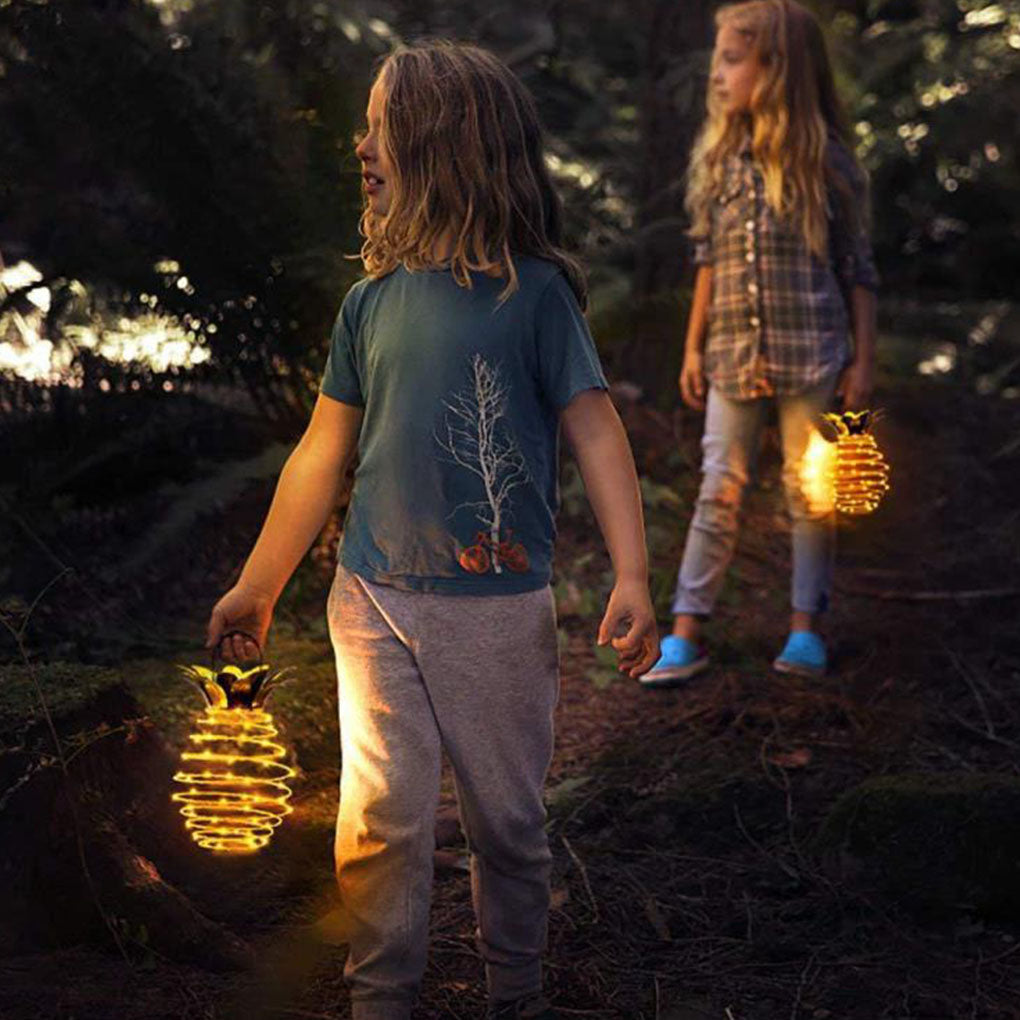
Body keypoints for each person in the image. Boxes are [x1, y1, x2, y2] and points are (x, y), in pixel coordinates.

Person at [205, 40, 658, 1020]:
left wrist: (631, 574)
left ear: (441, 142)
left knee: (506, 823)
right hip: (370, 598)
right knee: (380, 825)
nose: (361, 143)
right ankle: (383, 1000)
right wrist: (260, 582)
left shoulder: (533, 293)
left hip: (496, 607)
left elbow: (594, 426)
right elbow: (320, 456)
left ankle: (518, 994)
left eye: (379, 125)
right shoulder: (368, 304)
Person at [642, 0, 880, 687]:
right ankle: (687, 630)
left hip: (813, 349)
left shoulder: (827, 163)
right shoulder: (720, 159)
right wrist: (693, 348)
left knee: (810, 491)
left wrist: (863, 360)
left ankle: (806, 627)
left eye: (731, 59)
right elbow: (708, 261)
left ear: (776, 68)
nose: (717, 74)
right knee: (719, 485)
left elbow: (858, 268)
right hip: (733, 354)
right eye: (719, 57)